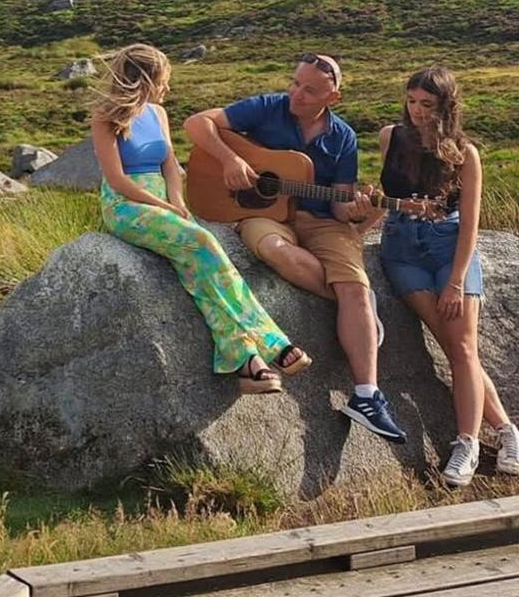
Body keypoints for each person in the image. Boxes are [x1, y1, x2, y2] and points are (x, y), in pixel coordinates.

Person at [184, 54, 407, 443]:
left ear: (332, 98)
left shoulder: (343, 137)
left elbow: (340, 207)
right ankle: (358, 306)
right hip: (265, 217)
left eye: (309, 90)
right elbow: (196, 123)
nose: (297, 94)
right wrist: (230, 159)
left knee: (353, 283)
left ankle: (367, 396)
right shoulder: (269, 107)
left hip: (322, 221)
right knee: (277, 251)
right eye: (295, 83)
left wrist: (358, 210)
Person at [92, 44, 310, 393]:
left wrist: (177, 202)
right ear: (145, 80)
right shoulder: (105, 118)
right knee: (203, 241)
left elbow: (170, 166)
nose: (167, 87)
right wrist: (163, 206)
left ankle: (246, 359)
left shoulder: (158, 113)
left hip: (164, 202)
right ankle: (273, 342)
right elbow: (116, 180)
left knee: (198, 265)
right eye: (163, 80)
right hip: (126, 206)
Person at [374, 66, 519, 486]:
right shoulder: (389, 137)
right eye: (411, 101)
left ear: (446, 106)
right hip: (401, 249)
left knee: (463, 347)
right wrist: (359, 216)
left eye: (427, 104)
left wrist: (456, 281)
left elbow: (471, 223)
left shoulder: (464, 152)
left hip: (447, 247)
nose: (417, 111)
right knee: (454, 345)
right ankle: (507, 431)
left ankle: (467, 445)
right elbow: (388, 200)